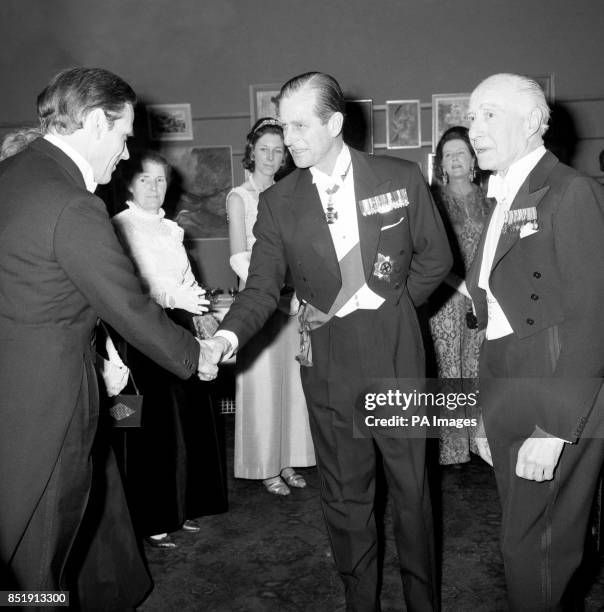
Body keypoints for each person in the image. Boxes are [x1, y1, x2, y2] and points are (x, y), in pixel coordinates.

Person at [200, 72, 452, 611]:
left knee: (412, 492)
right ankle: (360, 600)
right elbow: (262, 287)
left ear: (334, 123)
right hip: (329, 366)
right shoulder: (279, 202)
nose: (287, 138)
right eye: (282, 125)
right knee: (344, 496)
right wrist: (226, 335)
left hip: (396, 355)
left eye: (298, 125)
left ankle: (423, 602)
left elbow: (437, 258)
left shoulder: (400, 177)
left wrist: (394, 304)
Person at [0, 68, 205, 608]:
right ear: (94, 122)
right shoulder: (72, 203)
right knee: (38, 572)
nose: (127, 149)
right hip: (49, 412)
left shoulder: (13, 175)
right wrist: (197, 355)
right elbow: (128, 306)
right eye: (123, 133)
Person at [466, 73, 604, 610]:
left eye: (490, 114)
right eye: (472, 115)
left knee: (534, 547)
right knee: (526, 538)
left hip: (555, 387)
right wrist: (482, 412)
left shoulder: (572, 191)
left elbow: (594, 317)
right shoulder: (506, 193)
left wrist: (554, 425)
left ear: (532, 122)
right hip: (507, 379)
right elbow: (494, 317)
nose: (475, 127)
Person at [109, 150, 228, 548]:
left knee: (188, 418)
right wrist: (173, 294)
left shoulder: (172, 229)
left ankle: (182, 506)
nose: (155, 188)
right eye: (146, 180)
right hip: (141, 334)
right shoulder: (118, 228)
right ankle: (152, 516)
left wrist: (199, 312)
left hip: (176, 328)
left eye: (161, 181)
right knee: (151, 428)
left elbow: (187, 282)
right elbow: (128, 291)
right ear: (129, 183)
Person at [227, 118, 315, 496]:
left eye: (278, 150)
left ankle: (290, 458)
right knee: (263, 386)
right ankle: (266, 466)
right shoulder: (239, 196)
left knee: (292, 385)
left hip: (292, 303)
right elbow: (237, 257)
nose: (271, 156)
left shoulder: (290, 194)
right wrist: (272, 289)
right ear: (251, 152)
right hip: (260, 298)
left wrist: (297, 291)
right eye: (264, 149)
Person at [428, 126, 491, 465]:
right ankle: (451, 448)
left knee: (480, 367)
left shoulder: (490, 201)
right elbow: (426, 252)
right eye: (448, 154)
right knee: (448, 367)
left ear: (473, 161)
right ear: (441, 163)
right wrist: (457, 284)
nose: (454, 159)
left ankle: (480, 442)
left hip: (483, 297)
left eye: (461, 154)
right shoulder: (432, 201)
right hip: (445, 296)